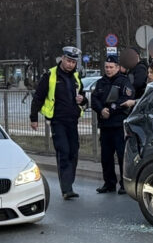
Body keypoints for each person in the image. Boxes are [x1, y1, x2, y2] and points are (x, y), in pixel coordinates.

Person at [30, 46, 85, 199]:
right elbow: (38, 97)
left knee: (74, 151)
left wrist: (83, 99)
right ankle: (66, 189)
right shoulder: (50, 75)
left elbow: (83, 96)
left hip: (72, 121)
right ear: (62, 58)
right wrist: (33, 118)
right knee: (64, 151)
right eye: (68, 61)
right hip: (57, 120)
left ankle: (69, 184)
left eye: (73, 62)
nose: (70, 64)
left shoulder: (75, 77)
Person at [91, 58, 133, 194]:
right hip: (105, 125)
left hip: (119, 124)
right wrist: (101, 110)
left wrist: (111, 109)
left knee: (122, 156)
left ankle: (124, 184)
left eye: (111, 67)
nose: (108, 69)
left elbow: (126, 98)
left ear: (117, 67)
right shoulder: (101, 82)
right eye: (106, 67)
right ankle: (109, 183)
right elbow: (94, 99)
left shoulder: (123, 81)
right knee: (106, 157)